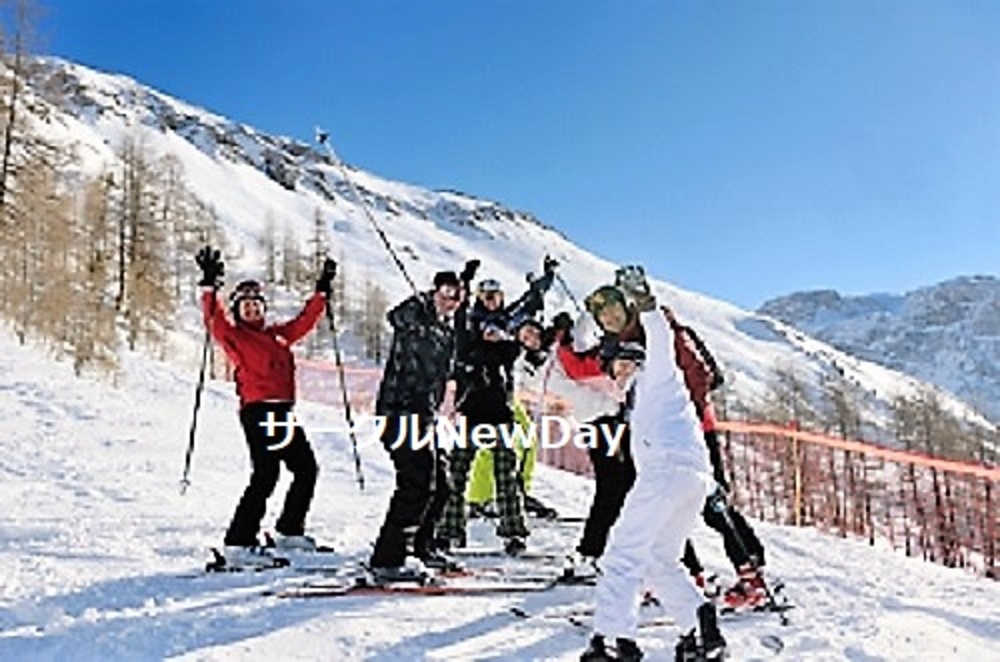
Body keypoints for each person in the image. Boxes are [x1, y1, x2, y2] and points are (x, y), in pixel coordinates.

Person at [580, 273, 726, 662]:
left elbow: (659, 338)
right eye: (615, 367)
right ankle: (699, 626)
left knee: (621, 556)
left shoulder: (659, 375)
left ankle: (613, 641)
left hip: (669, 472)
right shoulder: (635, 400)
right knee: (661, 559)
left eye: (628, 362)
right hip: (688, 478)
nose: (622, 370)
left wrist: (645, 303)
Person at [195, 246, 334, 567]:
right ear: (238, 311)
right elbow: (214, 320)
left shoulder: (278, 336)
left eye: (256, 305)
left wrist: (321, 292)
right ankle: (239, 542)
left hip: (283, 412)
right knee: (266, 473)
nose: (252, 310)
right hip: (259, 411)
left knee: (306, 469)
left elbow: (305, 321)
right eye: (245, 306)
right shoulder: (235, 337)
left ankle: (289, 531)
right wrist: (210, 287)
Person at [437, 257, 557, 555]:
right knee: (458, 471)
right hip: (471, 410)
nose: (492, 301)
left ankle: (513, 532)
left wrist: (546, 278)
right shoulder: (469, 322)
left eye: (496, 296)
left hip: (500, 412)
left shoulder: (508, 323)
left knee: (506, 473)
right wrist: (464, 281)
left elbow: (530, 303)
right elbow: (462, 328)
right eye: (487, 296)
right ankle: (450, 529)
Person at [368, 267, 470, 581]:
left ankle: (421, 547)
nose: (451, 300)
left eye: (458, 295)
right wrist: (424, 300)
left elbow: (449, 366)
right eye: (446, 292)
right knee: (416, 481)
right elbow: (395, 317)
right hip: (399, 411)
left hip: (424, 416)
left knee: (443, 484)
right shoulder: (415, 318)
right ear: (435, 290)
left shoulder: (445, 331)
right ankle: (389, 558)